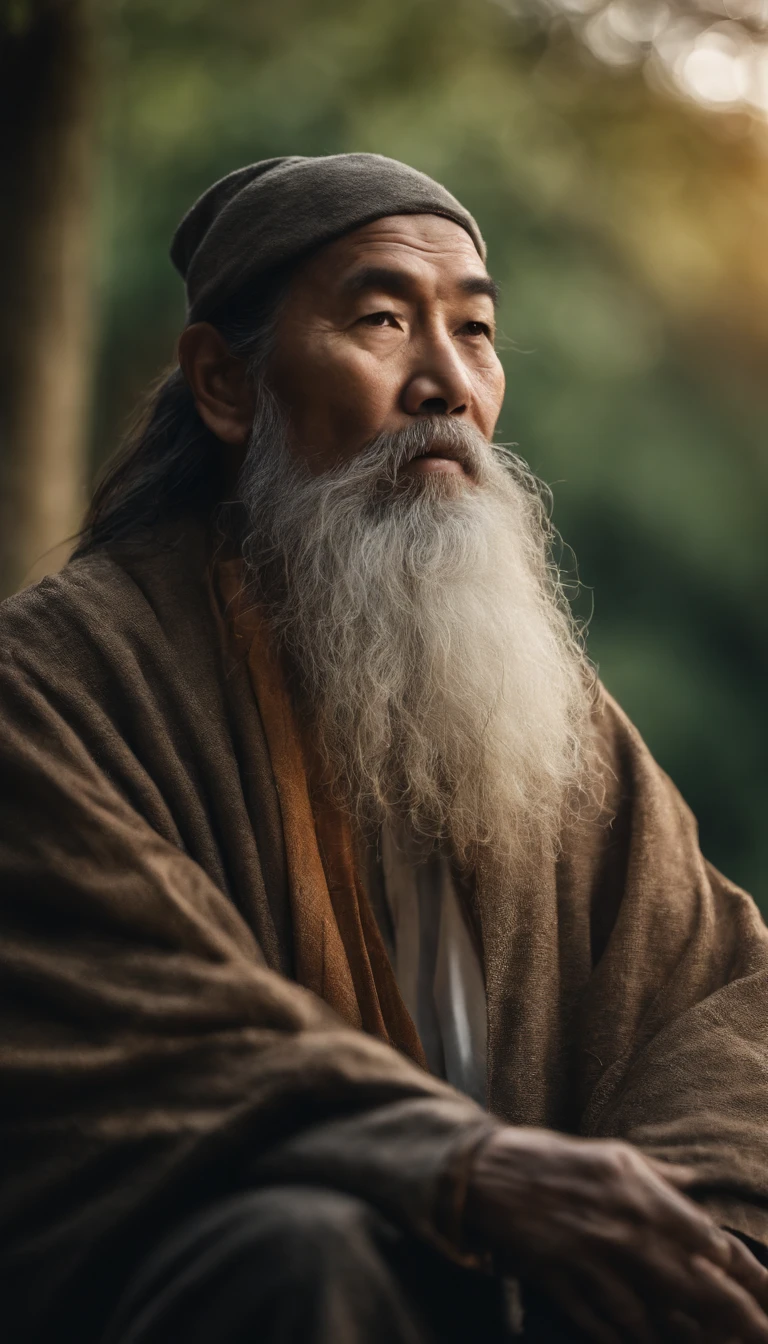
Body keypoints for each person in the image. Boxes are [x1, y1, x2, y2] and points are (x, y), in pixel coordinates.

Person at [1, 153, 767, 1344]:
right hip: (253, 1296)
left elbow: (727, 1000)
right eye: (383, 321)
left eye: (475, 330)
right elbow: (125, 1030)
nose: (448, 384)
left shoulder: (543, 714)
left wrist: (673, 1221)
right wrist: (467, 1171)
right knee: (300, 1250)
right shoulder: (61, 685)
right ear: (225, 384)